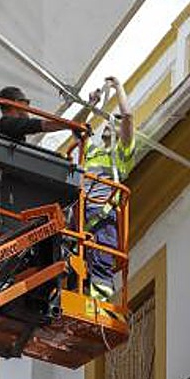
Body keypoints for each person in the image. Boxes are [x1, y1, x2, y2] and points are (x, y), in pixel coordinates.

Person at [81, 77, 135, 301]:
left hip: (103, 217)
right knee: (78, 264)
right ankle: (84, 297)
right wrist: (91, 105)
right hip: (82, 216)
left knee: (101, 263)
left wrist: (118, 88)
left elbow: (129, 118)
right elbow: (78, 130)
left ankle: (100, 305)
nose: (110, 125)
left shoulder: (121, 156)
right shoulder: (92, 153)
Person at [0, 86, 69, 142]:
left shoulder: (1, 126)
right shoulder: (6, 123)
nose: (28, 106)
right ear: (17, 102)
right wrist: (69, 125)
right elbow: (39, 125)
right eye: (26, 102)